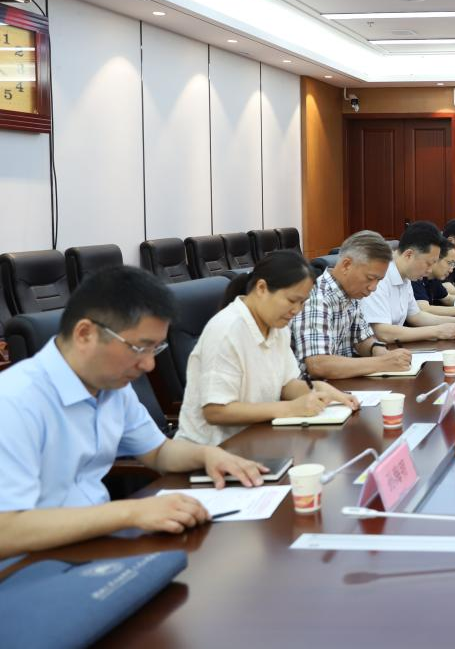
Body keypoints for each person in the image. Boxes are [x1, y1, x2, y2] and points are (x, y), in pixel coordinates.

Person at [0, 267, 265, 558]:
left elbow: (159, 452)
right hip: (30, 562)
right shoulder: (14, 402)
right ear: (85, 334)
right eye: (140, 348)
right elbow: (6, 530)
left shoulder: (112, 387)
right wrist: (132, 512)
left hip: (95, 544)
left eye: (156, 349)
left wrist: (207, 455)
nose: (149, 365)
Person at [176, 251, 360, 447]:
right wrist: (289, 408)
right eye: (292, 301)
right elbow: (216, 411)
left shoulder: (277, 326)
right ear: (262, 288)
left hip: (257, 439)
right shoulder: (226, 330)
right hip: (212, 450)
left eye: (302, 303)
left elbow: (287, 385)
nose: (297, 310)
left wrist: (321, 390)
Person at [290, 230, 413, 380]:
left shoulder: (351, 294)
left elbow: (362, 340)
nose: (373, 287)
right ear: (346, 265)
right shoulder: (316, 299)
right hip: (310, 389)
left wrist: (379, 351)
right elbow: (318, 365)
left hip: (341, 384)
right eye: (370, 278)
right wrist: (383, 363)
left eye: (379, 280)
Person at [359, 220, 455, 344]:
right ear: (409, 255)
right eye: (428, 263)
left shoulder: (406, 275)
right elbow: (383, 332)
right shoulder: (379, 276)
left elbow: (416, 316)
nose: (430, 270)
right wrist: (437, 331)